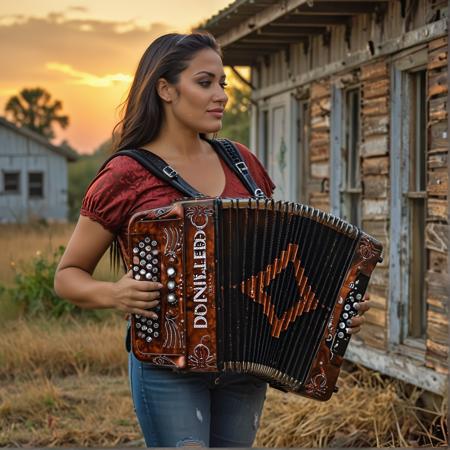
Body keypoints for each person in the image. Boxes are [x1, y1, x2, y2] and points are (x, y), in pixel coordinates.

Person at [54, 32, 370, 447]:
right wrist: (116, 294)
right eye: (205, 82)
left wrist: (335, 305)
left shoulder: (243, 163)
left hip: (246, 366)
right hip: (168, 366)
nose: (220, 95)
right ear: (165, 89)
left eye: (223, 83)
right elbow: (67, 275)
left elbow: (281, 259)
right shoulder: (126, 175)